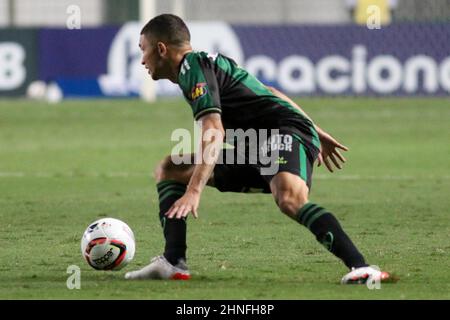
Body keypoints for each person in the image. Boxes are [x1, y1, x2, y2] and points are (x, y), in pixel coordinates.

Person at [125, 14, 390, 284]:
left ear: (161, 49)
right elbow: (270, 91)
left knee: (289, 199)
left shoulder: (194, 67)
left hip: (283, 132)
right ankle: (173, 261)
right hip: (255, 145)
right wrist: (317, 130)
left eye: (142, 49)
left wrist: (194, 191)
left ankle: (363, 268)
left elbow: (214, 131)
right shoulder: (200, 66)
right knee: (171, 168)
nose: (142, 59)